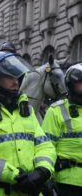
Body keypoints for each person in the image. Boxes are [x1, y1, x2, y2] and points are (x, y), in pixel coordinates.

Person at [0, 51, 56, 195]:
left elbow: (45, 146)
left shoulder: (27, 110)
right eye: (8, 77)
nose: (16, 82)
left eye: (17, 77)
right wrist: (15, 176)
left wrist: (42, 171)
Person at [42, 63, 82, 196]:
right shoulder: (56, 111)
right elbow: (45, 147)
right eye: (81, 83)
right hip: (68, 183)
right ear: (71, 85)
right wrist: (46, 178)